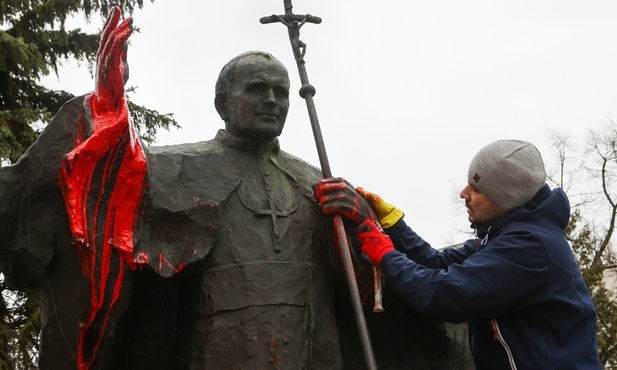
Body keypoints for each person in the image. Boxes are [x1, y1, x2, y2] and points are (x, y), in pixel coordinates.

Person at [0, 7, 472, 370]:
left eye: (281, 92)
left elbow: (364, 292)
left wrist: (362, 226)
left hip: (315, 354)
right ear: (223, 102)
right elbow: (107, 207)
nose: (272, 100)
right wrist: (103, 127)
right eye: (257, 89)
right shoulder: (175, 168)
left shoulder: (317, 183)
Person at [315, 139, 603, 369]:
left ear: (505, 199)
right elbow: (436, 263)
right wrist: (394, 224)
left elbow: (443, 295)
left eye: (476, 187)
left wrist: (386, 255)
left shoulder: (531, 248)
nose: (463, 193)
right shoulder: (501, 239)